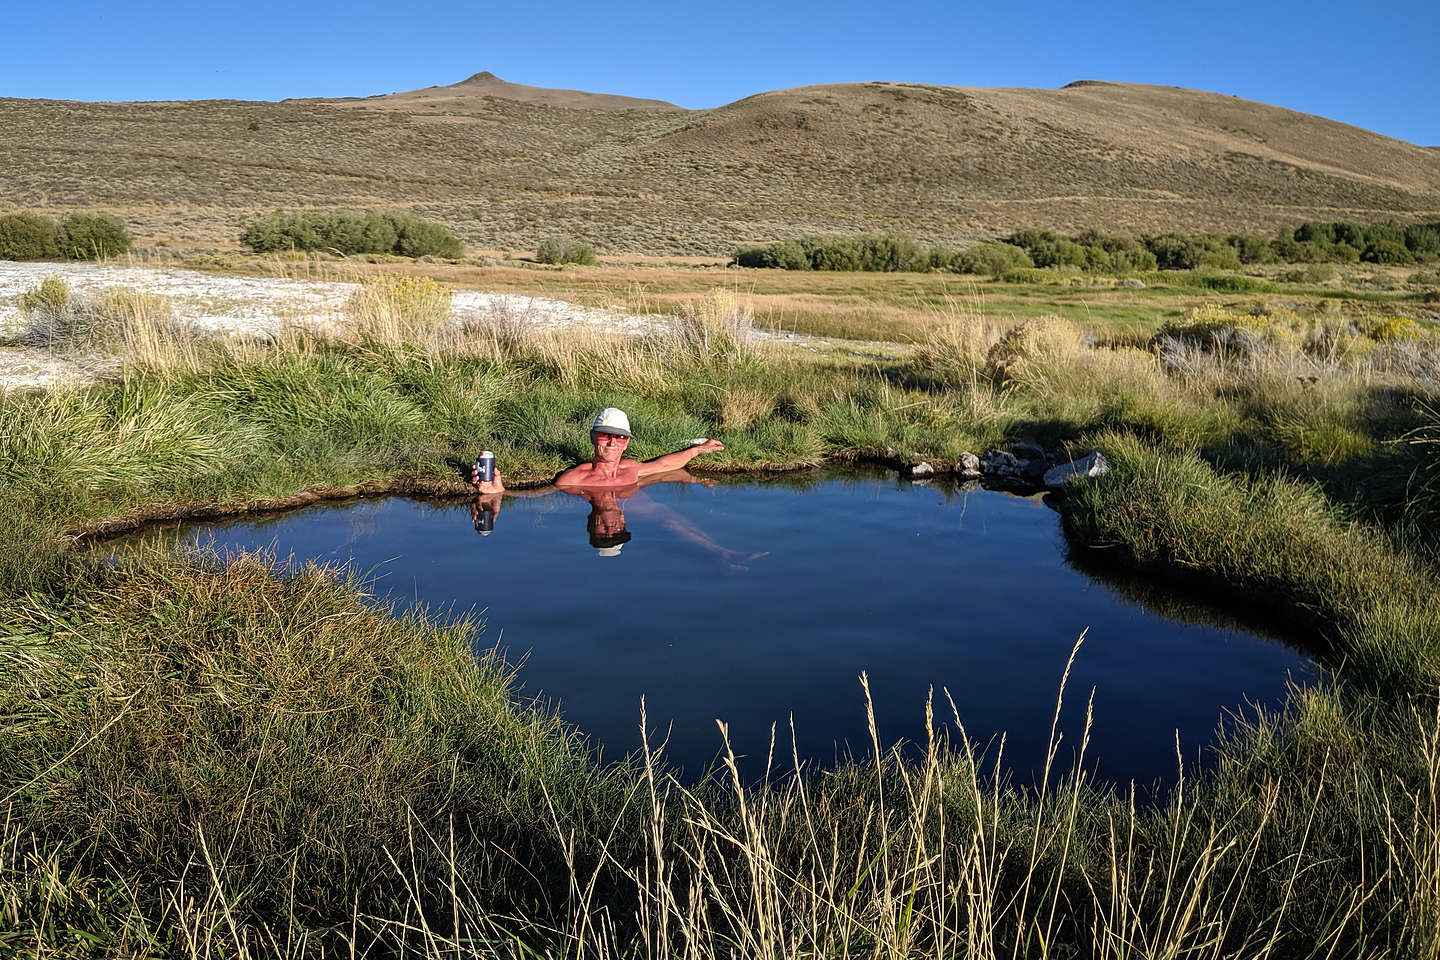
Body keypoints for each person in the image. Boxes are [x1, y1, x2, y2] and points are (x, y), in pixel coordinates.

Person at [472, 407, 724, 495]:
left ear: (626, 442)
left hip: (635, 503)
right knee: (670, 522)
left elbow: (665, 464)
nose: (613, 443)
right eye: (606, 435)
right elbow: (539, 494)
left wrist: (698, 450)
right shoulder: (575, 479)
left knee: (672, 521)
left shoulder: (631, 469)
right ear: (594, 437)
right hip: (616, 501)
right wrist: (500, 493)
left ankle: (725, 555)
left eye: (620, 437)